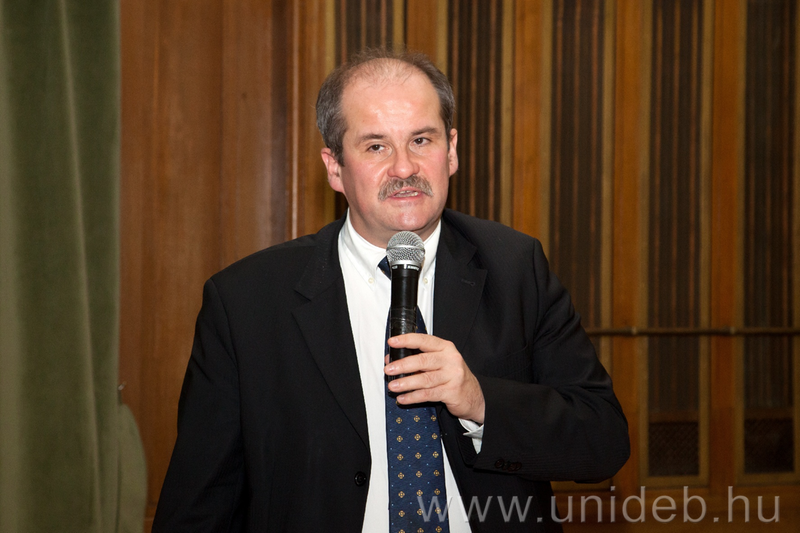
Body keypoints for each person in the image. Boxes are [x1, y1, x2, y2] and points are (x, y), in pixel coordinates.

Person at [152, 48, 629, 533]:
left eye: (421, 140)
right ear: (334, 167)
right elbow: (199, 506)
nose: (404, 168)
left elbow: (604, 439)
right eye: (376, 146)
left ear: (452, 150)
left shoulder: (515, 268)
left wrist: (481, 401)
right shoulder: (247, 303)